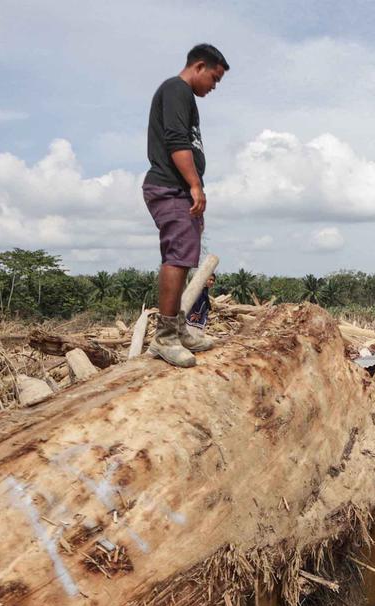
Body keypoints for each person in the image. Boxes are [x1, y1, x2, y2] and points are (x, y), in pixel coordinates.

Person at [142, 44, 229, 367]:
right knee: (177, 258)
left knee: (184, 256)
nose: (214, 86)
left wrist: (195, 190)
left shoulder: (184, 96)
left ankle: (177, 328)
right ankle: (165, 337)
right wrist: (194, 185)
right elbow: (177, 141)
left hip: (179, 188)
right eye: (214, 78)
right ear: (199, 66)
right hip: (169, 185)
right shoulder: (176, 90)